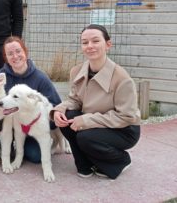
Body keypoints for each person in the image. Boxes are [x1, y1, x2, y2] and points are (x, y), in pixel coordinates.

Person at [50, 24, 141, 180]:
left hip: (123, 129)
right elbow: (74, 100)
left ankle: (121, 160)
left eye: (95, 41)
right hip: (95, 122)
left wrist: (86, 120)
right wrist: (59, 110)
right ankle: (84, 164)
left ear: (108, 45)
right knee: (66, 117)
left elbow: (126, 116)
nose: (89, 46)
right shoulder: (77, 71)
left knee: (86, 137)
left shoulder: (122, 78)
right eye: (85, 42)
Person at [0, 36, 62, 164]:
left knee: (35, 156)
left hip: (29, 125)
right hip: (5, 125)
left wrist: (45, 125)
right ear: (6, 57)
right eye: (10, 54)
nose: (15, 56)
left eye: (18, 51)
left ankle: (20, 148)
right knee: (5, 129)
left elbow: (56, 105)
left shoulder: (40, 78)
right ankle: (5, 149)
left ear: (25, 51)